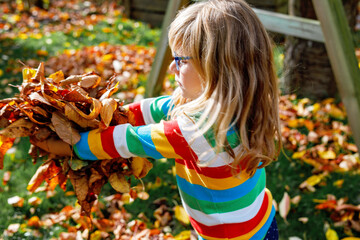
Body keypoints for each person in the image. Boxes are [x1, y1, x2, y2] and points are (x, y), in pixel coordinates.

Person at [36, 0, 282, 239]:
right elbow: (155, 107)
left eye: (180, 61)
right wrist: (106, 113)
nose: (172, 69)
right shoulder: (245, 102)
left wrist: (64, 145)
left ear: (214, 68)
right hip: (261, 220)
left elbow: (125, 141)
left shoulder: (195, 132)